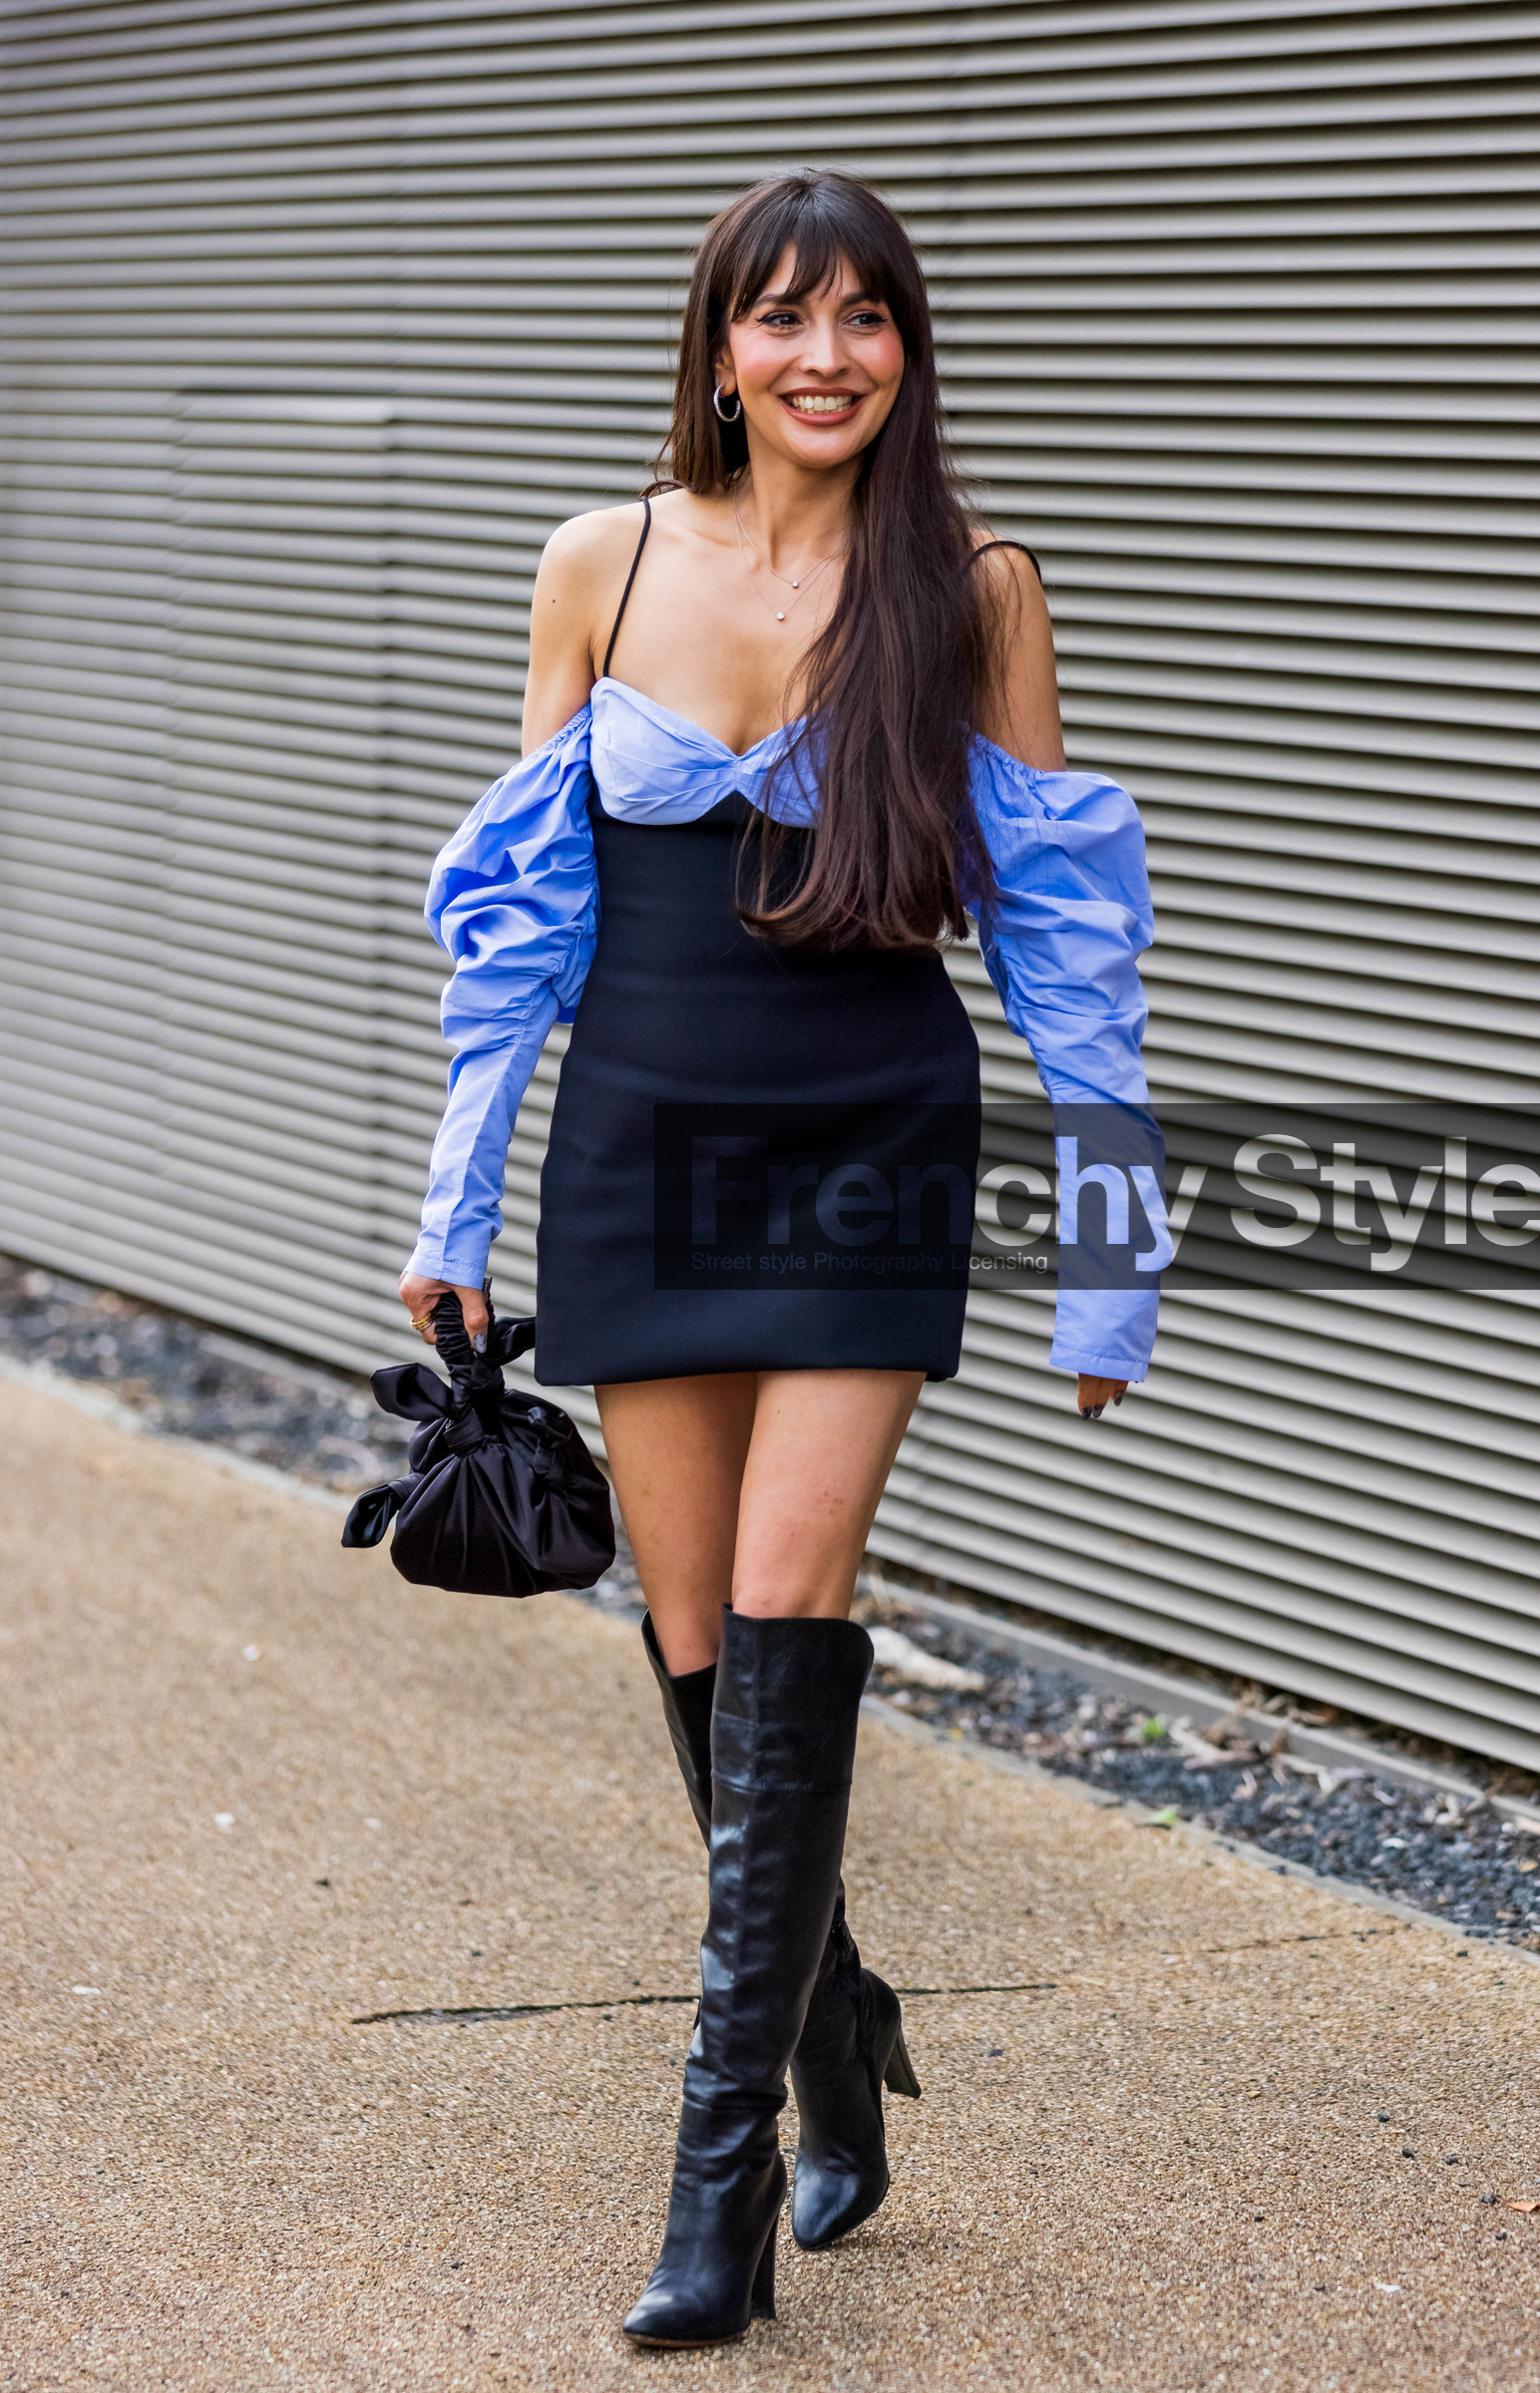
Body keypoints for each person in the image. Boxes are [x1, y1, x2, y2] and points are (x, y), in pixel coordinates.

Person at [398, 169, 1157, 2348]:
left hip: (864, 1154)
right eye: (780, 317)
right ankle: (834, 2030)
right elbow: (514, 933)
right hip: (641, 1144)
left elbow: (1073, 964)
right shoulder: (599, 560)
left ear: (905, 353)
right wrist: (455, 1208)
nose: (823, 355)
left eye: (865, 320)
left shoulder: (976, 588)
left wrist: (1106, 1264)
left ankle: (713, 2182)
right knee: (692, 1659)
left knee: (780, 1602)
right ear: (717, 346)